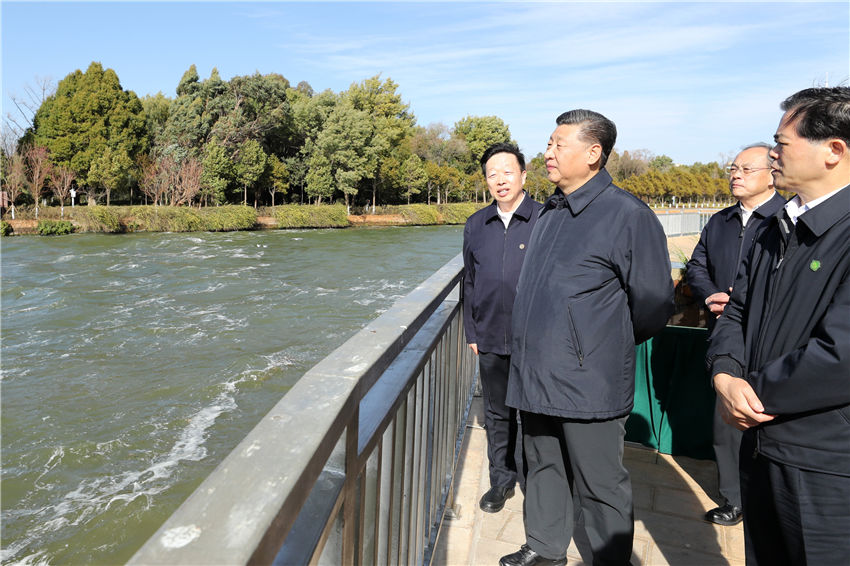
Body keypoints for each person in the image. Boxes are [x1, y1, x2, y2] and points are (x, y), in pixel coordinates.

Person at [500, 110, 674, 566]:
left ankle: (609, 558)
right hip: (535, 372)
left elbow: (654, 304)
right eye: (549, 143)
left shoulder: (627, 215)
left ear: (593, 153)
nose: (548, 153)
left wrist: (597, 342)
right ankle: (544, 547)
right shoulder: (551, 211)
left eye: (559, 144)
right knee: (542, 465)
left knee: (600, 483)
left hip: (588, 379)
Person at [707, 86, 850, 565]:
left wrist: (750, 394)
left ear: (835, 150)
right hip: (762, 445)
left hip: (826, 463)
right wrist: (725, 374)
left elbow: (839, 356)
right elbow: (738, 310)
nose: (773, 154)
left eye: (782, 143)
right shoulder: (774, 229)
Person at [685, 143, 786, 527]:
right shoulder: (719, 221)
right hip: (724, 336)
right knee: (726, 417)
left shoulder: (785, 220)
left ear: (771, 173)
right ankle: (734, 497)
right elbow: (696, 265)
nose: (736, 174)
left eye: (746, 168)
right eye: (733, 168)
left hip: (771, 337)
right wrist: (711, 293)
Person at [463, 143, 542, 513]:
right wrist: (472, 333)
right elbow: (470, 282)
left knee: (536, 415)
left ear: (524, 175)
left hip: (536, 340)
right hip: (490, 337)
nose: (500, 180)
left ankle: (540, 484)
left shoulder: (546, 219)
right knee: (497, 413)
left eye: (507, 172)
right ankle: (502, 480)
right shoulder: (476, 224)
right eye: (492, 174)